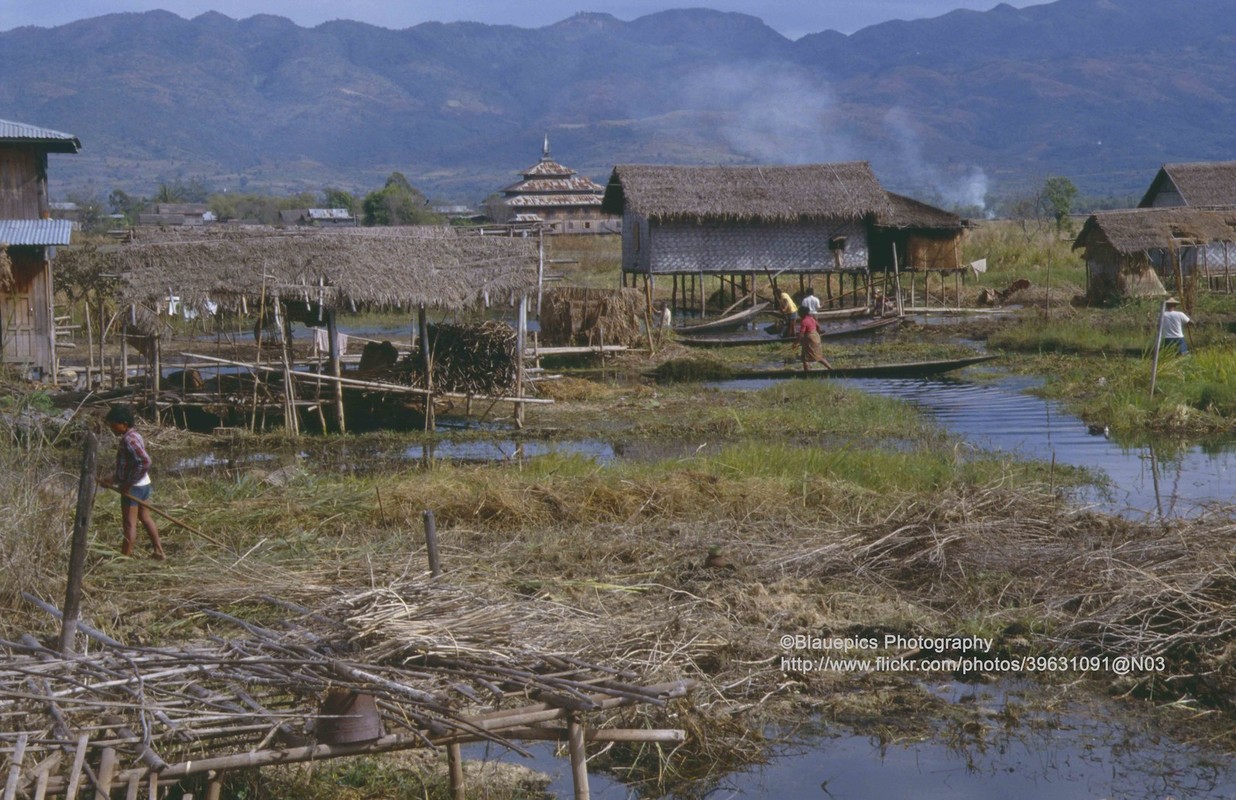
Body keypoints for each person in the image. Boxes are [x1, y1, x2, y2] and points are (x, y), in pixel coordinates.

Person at [100, 405, 166, 560]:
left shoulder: (128, 439)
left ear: (123, 423)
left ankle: (124, 559)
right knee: (145, 518)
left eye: (114, 424)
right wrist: (114, 479)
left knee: (129, 524)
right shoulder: (135, 435)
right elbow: (129, 465)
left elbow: (144, 461)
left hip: (135, 487)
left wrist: (128, 484)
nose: (112, 428)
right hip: (144, 484)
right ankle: (159, 551)